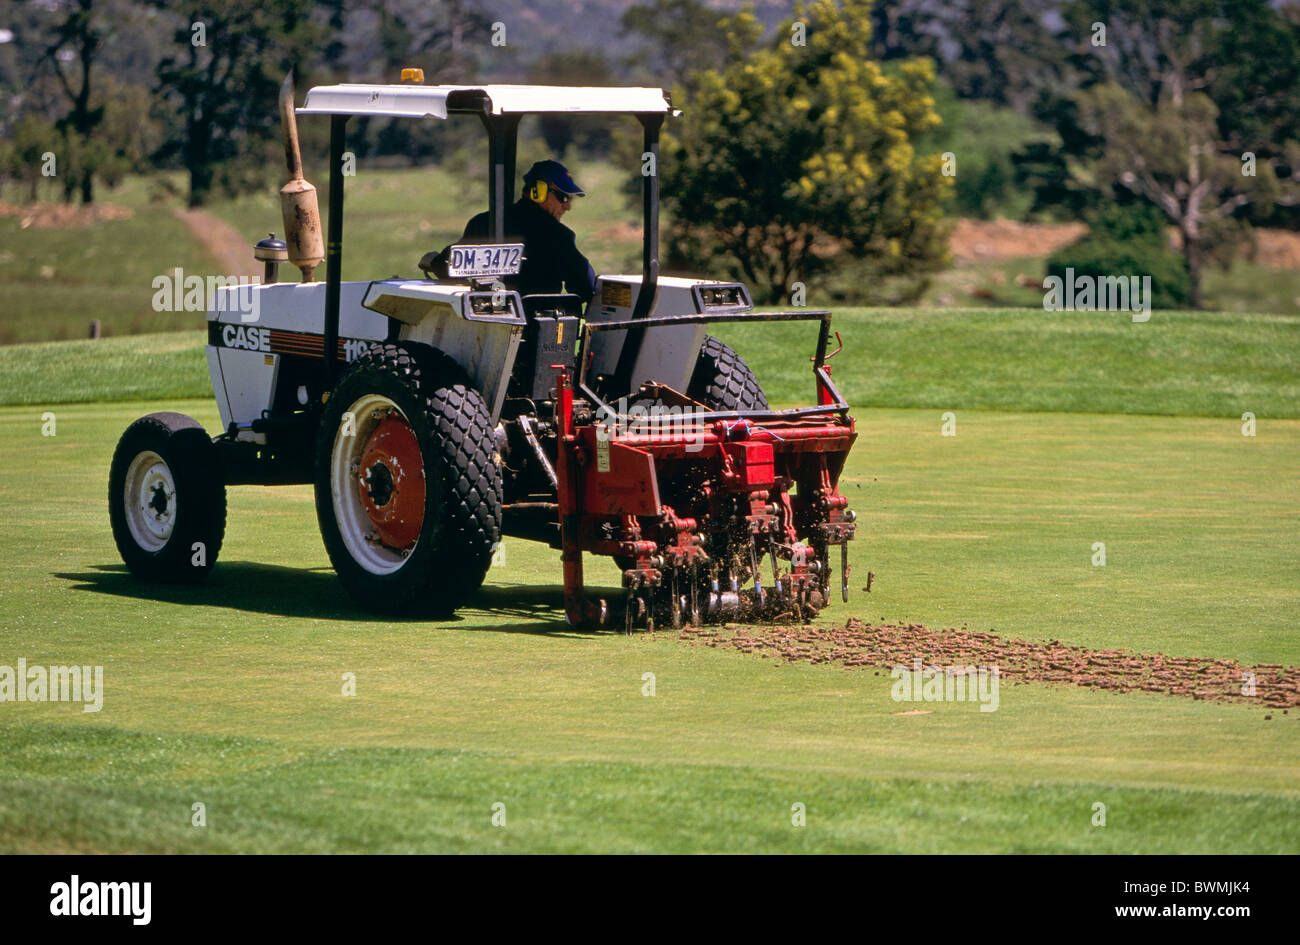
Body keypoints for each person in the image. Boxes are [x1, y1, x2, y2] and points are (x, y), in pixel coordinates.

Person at [422, 159, 597, 304]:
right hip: (537, 336)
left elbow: (446, 264)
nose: (567, 206)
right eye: (563, 198)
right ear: (538, 191)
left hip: (487, 326)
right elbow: (586, 287)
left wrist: (432, 259)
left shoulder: (483, 223)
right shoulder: (560, 236)